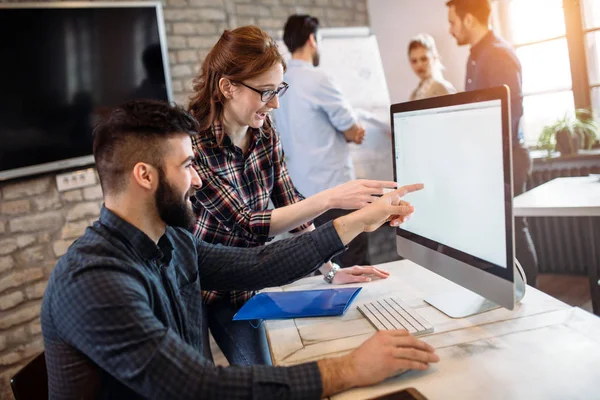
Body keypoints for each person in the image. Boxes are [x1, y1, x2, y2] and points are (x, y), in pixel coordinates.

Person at [40, 100, 439, 399]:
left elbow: (257, 264)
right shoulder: (92, 281)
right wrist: (349, 369)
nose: (197, 181)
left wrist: (359, 222)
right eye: (187, 166)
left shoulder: (172, 239)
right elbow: (194, 387)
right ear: (144, 176)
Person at [188, 25, 394, 366]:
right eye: (266, 91)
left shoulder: (264, 131)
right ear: (227, 87)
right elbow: (249, 224)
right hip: (200, 286)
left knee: (263, 370)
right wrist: (331, 198)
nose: (275, 103)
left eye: (278, 89)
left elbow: (289, 201)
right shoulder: (194, 145)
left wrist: (328, 270)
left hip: (247, 283)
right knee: (197, 378)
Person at [446, 0, 539, 286]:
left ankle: (531, 295)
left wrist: (487, 157)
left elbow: (510, 112)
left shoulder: (498, 54)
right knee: (498, 231)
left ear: (469, 20)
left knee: (513, 227)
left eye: (452, 22)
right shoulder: (476, 55)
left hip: (507, 154)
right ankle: (508, 292)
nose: (450, 30)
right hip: (489, 156)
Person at [272, 15, 372, 269]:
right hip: (335, 190)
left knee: (319, 266)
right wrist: (354, 132)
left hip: (301, 194)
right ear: (312, 40)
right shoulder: (318, 78)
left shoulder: (277, 82)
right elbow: (352, 130)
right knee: (352, 261)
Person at [408, 34, 456, 101]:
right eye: (414, 61)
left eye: (424, 59)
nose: (419, 65)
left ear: (434, 58)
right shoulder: (414, 95)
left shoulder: (443, 88)